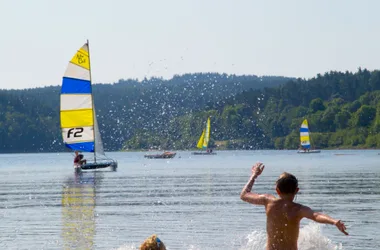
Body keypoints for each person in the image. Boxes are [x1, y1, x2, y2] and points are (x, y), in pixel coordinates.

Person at [240, 162, 348, 250]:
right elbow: (316, 215)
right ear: (297, 191)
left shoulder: (268, 201)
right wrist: (334, 221)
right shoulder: (299, 209)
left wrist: (254, 175)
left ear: (277, 190)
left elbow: (244, 195)